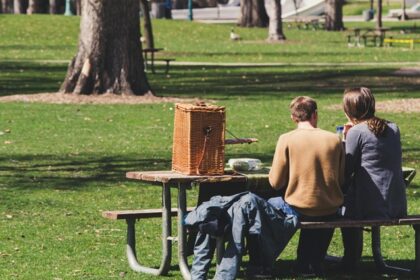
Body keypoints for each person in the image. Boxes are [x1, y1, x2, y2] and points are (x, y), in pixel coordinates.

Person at [269, 96, 345, 276]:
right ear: (315, 115)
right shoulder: (334, 139)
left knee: (269, 203)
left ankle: (262, 260)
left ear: (293, 118)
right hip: (330, 207)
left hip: (299, 207)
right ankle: (312, 262)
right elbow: (340, 180)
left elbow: (275, 182)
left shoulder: (286, 139)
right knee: (318, 206)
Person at [340, 87, 407, 270]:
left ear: (348, 110)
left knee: (339, 205)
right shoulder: (393, 127)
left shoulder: (357, 132)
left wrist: (346, 138)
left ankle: (350, 259)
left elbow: (347, 169)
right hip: (396, 203)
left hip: (371, 205)